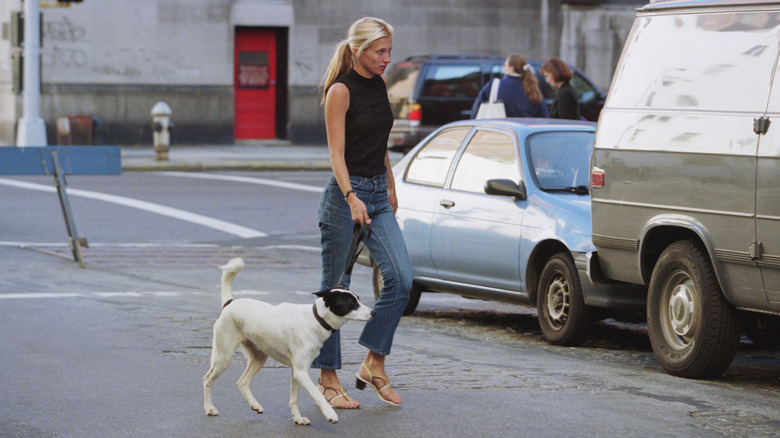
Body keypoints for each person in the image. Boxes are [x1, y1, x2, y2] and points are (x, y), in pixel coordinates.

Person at [314, 16, 412, 409]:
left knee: (401, 278)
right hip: (344, 197)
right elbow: (336, 154)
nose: (387, 58)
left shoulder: (381, 84)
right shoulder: (340, 91)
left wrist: (389, 185)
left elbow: (380, 141)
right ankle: (327, 377)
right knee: (335, 287)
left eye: (389, 50)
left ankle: (374, 361)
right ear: (358, 50)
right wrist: (352, 196)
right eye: (380, 51)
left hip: (376, 192)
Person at [470, 53, 549, 119]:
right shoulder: (533, 88)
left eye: (505, 65)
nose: (503, 66)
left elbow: (475, 111)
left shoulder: (494, 86)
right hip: (526, 135)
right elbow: (544, 117)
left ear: (511, 68)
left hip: (501, 133)